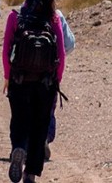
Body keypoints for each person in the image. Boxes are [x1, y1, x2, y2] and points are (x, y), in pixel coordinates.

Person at [2, 0, 66, 183]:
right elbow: (61, 52)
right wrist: (56, 78)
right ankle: (31, 173)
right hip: (45, 82)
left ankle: (19, 147)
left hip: (20, 79)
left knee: (19, 120)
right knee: (40, 126)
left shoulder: (16, 16)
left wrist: (7, 76)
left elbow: (6, 49)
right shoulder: (52, 17)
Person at [45, 11, 75, 160]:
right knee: (48, 107)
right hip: (50, 72)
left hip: (25, 72)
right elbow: (69, 45)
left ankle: (25, 142)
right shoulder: (56, 15)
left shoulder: (22, 12)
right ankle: (45, 138)